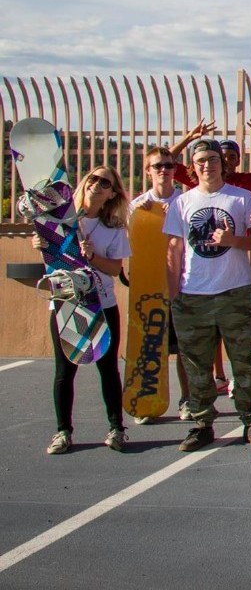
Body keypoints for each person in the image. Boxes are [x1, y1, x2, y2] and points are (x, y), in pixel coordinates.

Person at [162, 140, 251, 452]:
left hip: (235, 293)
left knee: (244, 363)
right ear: (194, 164)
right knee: (196, 365)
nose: (208, 165)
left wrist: (232, 239)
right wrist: (173, 292)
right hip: (193, 296)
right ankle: (202, 423)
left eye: (213, 159)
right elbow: (175, 249)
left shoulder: (242, 198)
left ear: (223, 163)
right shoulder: (182, 203)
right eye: (201, 160)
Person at [38, 166, 131, 454]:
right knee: (65, 370)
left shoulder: (113, 229)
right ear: (84, 182)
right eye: (94, 179)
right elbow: (52, 257)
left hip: (102, 304)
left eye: (106, 183)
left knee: (108, 368)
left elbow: (116, 269)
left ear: (112, 194)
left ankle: (116, 428)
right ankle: (62, 432)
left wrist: (92, 255)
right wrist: (40, 244)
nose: (98, 185)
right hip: (66, 301)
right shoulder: (60, 221)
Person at [128, 146, 191, 423]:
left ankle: (188, 401)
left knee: (186, 350)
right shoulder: (137, 206)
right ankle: (146, 396)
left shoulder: (187, 201)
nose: (164, 170)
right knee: (151, 344)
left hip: (184, 285)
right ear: (148, 170)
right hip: (150, 287)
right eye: (158, 166)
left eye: (168, 165)